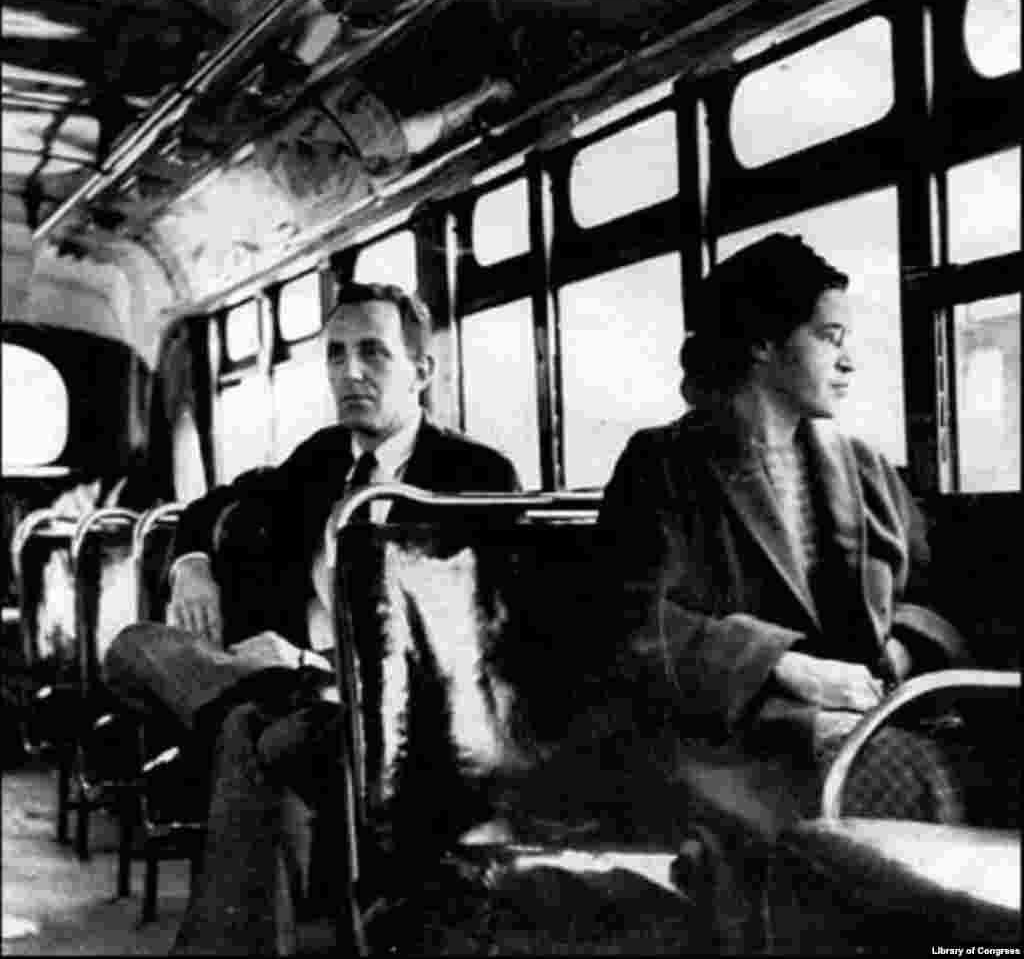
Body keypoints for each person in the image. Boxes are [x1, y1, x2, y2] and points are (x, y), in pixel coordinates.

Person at [103, 282, 520, 955]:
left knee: (249, 733)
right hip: (306, 708)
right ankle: (260, 693)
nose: (349, 372)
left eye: (373, 353)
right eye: (335, 355)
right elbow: (219, 502)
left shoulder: (476, 475)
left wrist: (306, 666)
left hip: (399, 719)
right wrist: (192, 563)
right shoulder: (320, 460)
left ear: (422, 371)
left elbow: (471, 649)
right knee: (133, 645)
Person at [597, 233, 973, 823]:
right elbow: (630, 626)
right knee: (909, 774)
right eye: (830, 338)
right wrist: (783, 666)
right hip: (731, 735)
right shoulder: (663, 464)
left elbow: (932, 595)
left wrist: (899, 653)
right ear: (763, 345)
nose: (848, 361)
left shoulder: (865, 466)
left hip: (872, 714)